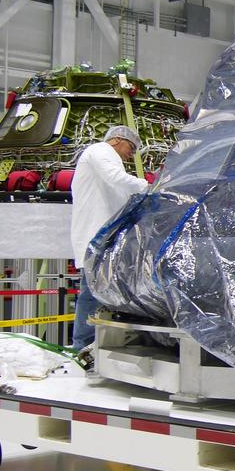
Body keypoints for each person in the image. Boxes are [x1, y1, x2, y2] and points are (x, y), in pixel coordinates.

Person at [69, 125, 149, 351]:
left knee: (103, 293)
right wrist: (149, 186)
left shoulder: (112, 162)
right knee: (91, 293)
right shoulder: (101, 151)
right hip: (96, 237)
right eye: (131, 148)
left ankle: (96, 346)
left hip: (107, 238)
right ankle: (81, 346)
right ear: (116, 140)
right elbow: (117, 178)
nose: (131, 155)